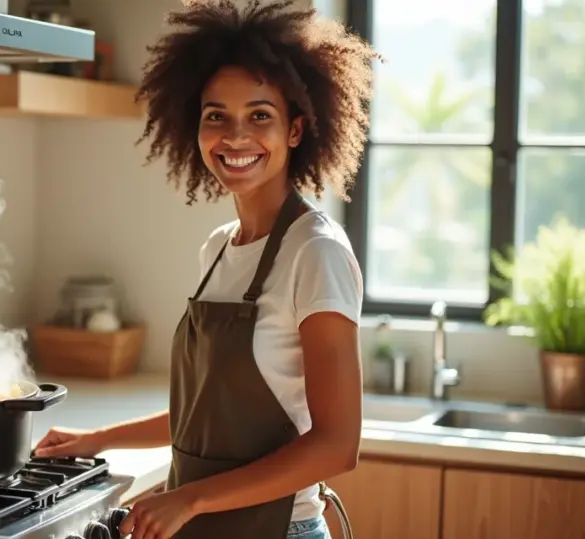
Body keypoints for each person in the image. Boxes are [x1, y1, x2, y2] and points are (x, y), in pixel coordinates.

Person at [34, 1, 377, 538]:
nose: (235, 136)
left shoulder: (316, 252)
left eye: (259, 116)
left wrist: (189, 498)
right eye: (216, 115)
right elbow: (209, 416)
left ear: (295, 130)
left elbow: (337, 446)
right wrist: (98, 439)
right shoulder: (219, 248)